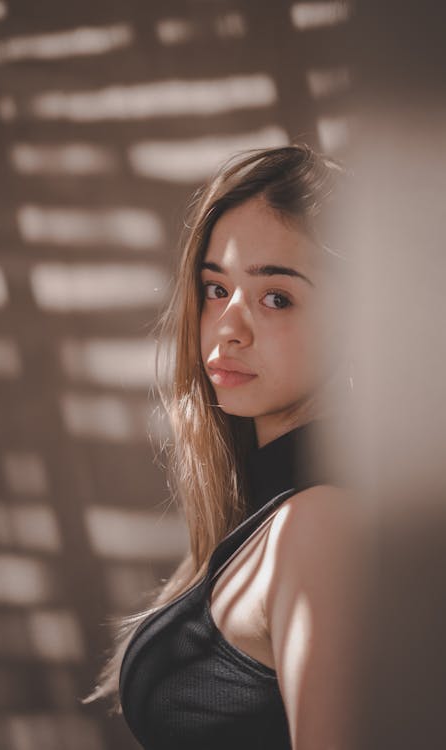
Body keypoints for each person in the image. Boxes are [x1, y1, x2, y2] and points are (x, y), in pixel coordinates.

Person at [83, 144, 366, 749]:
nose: (229, 327)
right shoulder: (269, 516)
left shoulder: (316, 526)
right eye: (217, 289)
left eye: (276, 297)